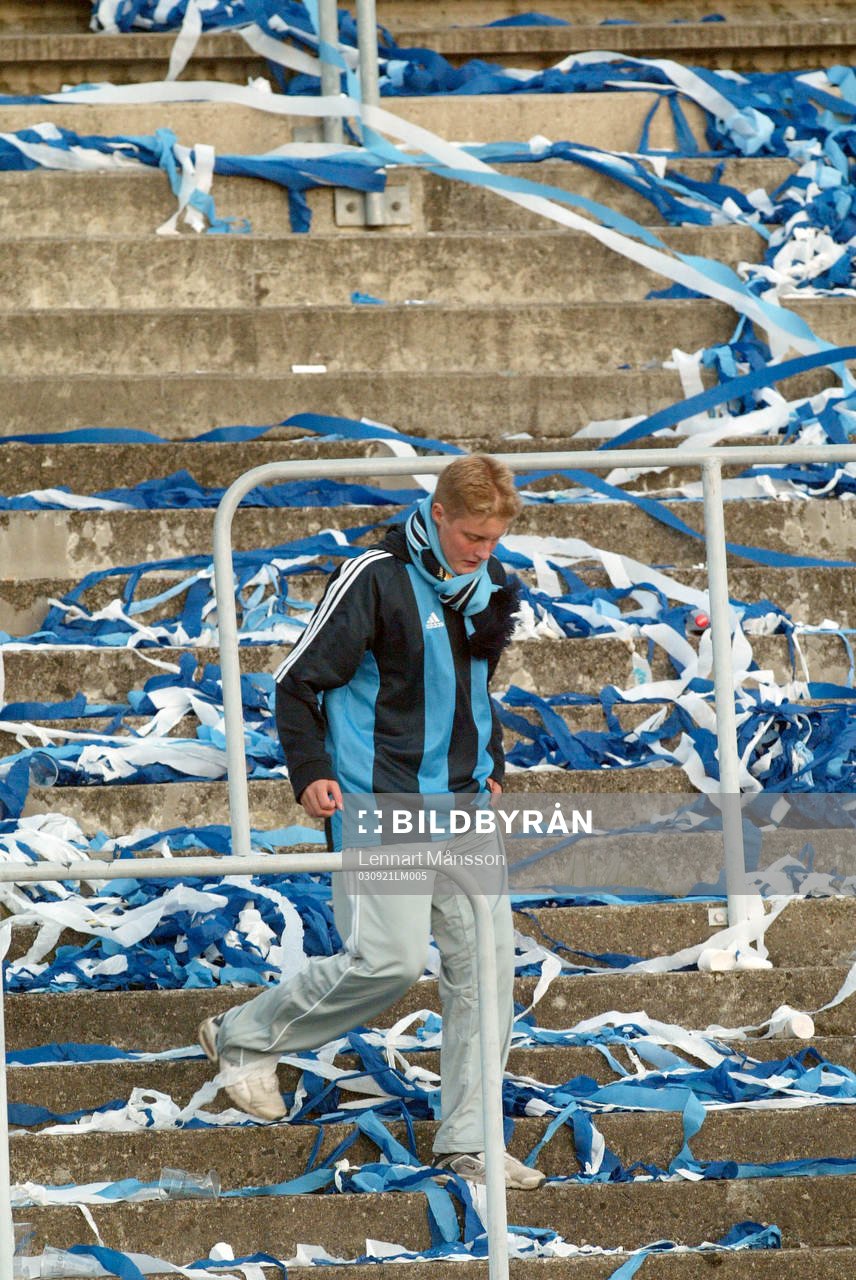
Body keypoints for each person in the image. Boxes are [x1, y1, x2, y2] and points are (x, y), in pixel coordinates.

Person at [199, 454, 545, 1189]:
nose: (483, 552)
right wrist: (311, 774)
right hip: (381, 801)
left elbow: (476, 693)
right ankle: (240, 1035)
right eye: (472, 537)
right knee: (386, 963)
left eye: (494, 540)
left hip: (465, 806)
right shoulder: (371, 576)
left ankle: (469, 1141)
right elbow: (296, 684)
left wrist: (494, 772)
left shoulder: (490, 587)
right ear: (440, 513)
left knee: (485, 967)